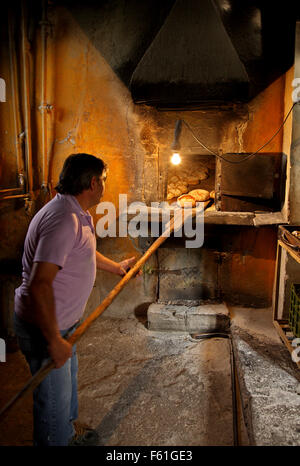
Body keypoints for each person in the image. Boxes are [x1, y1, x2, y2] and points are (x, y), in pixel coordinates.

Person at [14, 153, 137, 446]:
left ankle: (68, 434)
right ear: (93, 183)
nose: (105, 187)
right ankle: (57, 438)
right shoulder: (63, 220)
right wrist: (54, 339)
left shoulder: (74, 211)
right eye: (103, 181)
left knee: (65, 393)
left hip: (63, 326)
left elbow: (82, 251)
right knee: (52, 407)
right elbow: (40, 285)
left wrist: (117, 268)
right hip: (46, 328)